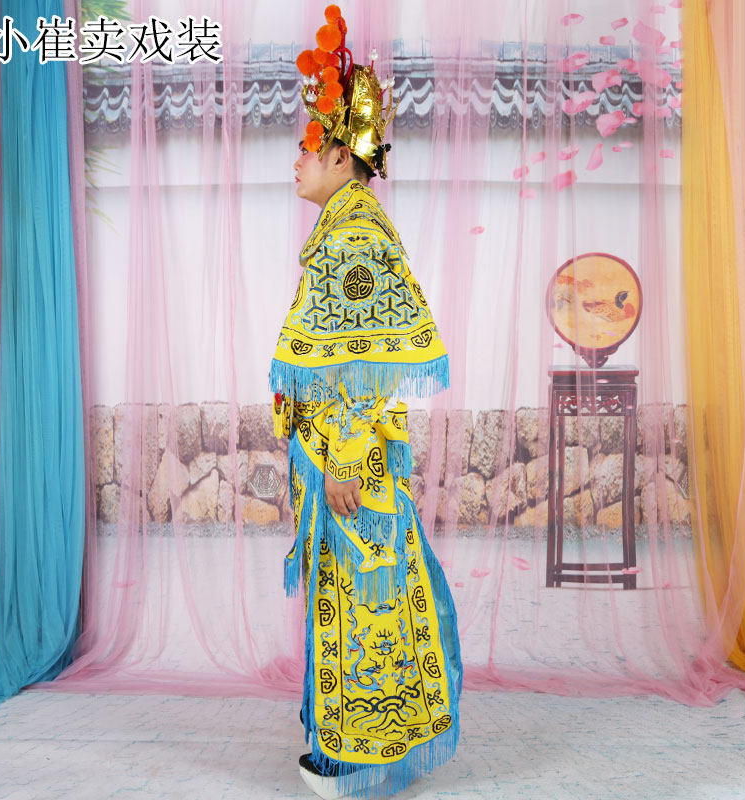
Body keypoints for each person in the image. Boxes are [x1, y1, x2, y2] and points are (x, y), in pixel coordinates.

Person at [269, 6, 462, 798]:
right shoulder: (346, 228)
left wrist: (344, 456)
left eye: (304, 148)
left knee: (361, 599)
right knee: (355, 596)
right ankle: (349, 739)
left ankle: (354, 757)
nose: (295, 163)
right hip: (343, 458)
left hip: (352, 464)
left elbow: (366, 361)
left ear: (340, 155)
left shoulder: (355, 237)